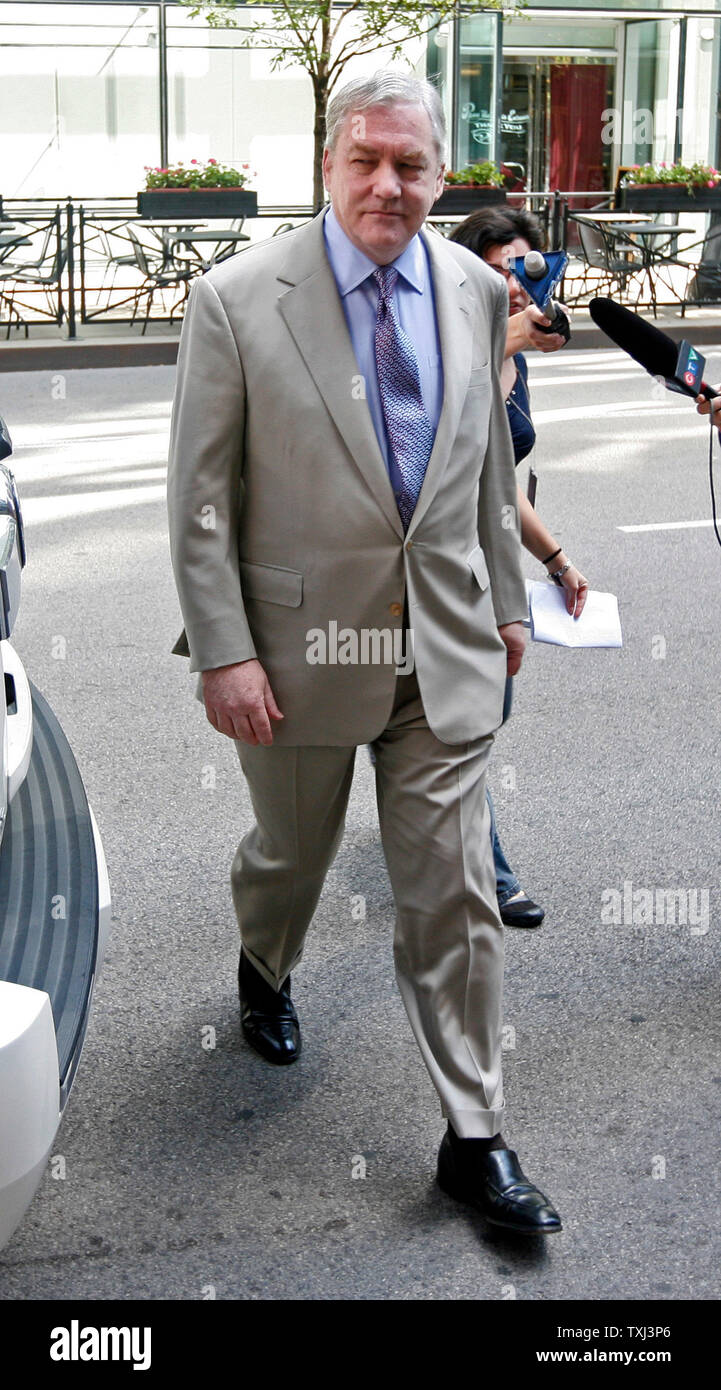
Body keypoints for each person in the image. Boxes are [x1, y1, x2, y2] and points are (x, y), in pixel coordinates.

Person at [167, 71, 562, 1235]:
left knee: (453, 899)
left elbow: (486, 467)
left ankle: (474, 1135)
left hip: (440, 650)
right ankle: (264, 960)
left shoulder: (472, 292)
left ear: (441, 177)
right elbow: (197, 500)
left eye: (412, 165)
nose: (388, 185)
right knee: (291, 855)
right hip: (293, 654)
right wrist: (223, 651)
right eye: (366, 161)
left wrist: (508, 604)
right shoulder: (236, 299)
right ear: (329, 166)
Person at [450, 207, 589, 930]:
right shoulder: (436, 347)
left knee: (481, 715)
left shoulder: (516, 353)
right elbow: (446, 447)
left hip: (489, 568)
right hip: (429, 570)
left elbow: (498, 478)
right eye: (502, 268)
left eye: (528, 268)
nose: (516, 284)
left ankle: (422, 801)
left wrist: (556, 560)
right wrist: (494, 346)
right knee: (458, 725)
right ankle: (491, 876)